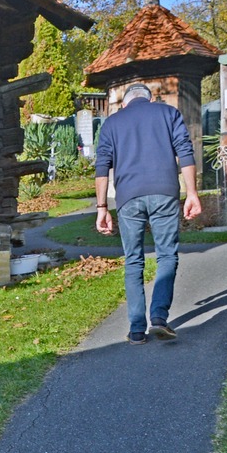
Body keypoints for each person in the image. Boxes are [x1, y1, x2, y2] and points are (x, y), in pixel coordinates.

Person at [95, 83, 202, 344]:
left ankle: (135, 329)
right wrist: (192, 193)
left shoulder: (112, 123)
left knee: (133, 261)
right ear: (150, 99)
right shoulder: (168, 113)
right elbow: (185, 152)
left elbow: (102, 167)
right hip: (164, 191)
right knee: (166, 254)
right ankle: (158, 317)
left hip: (128, 198)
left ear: (124, 104)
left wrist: (101, 208)